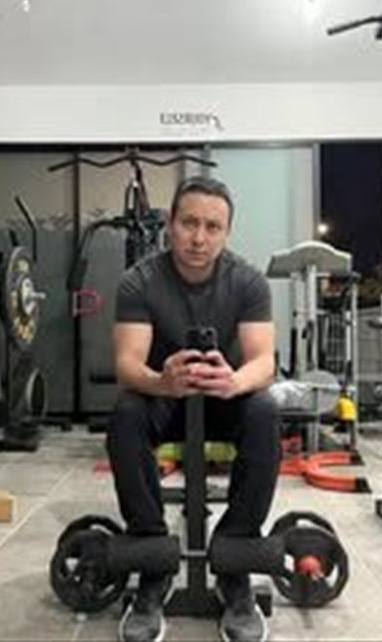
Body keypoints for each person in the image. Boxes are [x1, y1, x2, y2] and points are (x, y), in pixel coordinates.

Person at [107, 176, 281, 642]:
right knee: (126, 412)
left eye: (212, 227)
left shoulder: (247, 281)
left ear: (227, 232)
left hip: (225, 397)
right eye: (189, 223)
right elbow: (126, 364)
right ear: (170, 223)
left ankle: (235, 558)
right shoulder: (139, 280)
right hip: (165, 396)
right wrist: (161, 381)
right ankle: (152, 557)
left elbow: (264, 361)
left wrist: (234, 381)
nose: (199, 238)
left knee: (264, 410)